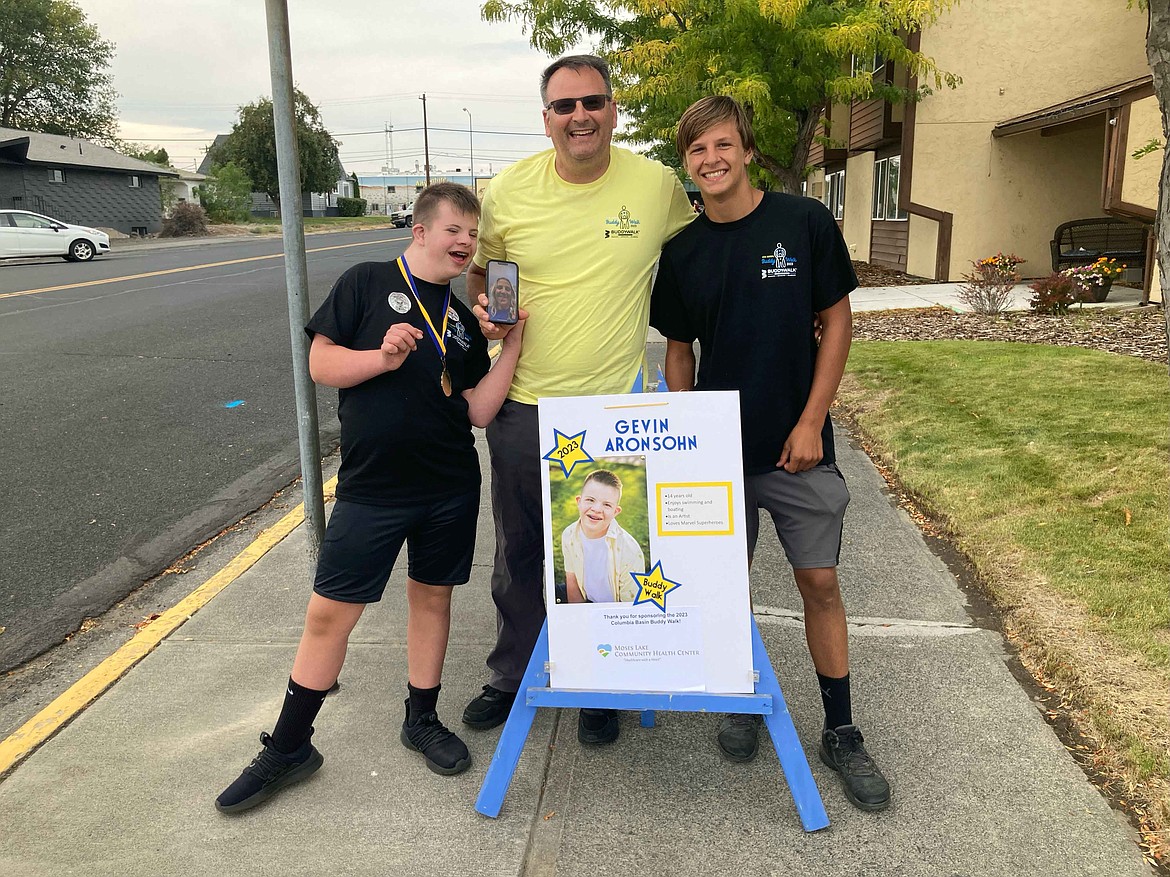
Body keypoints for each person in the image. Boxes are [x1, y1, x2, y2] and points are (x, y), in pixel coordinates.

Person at [214, 182, 526, 814]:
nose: (465, 242)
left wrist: (512, 344)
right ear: (420, 230)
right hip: (373, 487)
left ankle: (421, 716)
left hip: (448, 486)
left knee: (431, 600)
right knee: (330, 614)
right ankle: (291, 745)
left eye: (472, 232)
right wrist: (380, 359)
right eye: (453, 230)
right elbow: (321, 366)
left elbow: (476, 412)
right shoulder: (365, 280)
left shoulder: (464, 322)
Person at [649, 96, 890, 812]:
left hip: (796, 447)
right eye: (697, 150)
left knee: (818, 580)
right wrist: (686, 437)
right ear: (686, 163)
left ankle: (840, 728)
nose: (711, 159)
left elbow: (837, 317)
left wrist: (814, 419)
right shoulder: (684, 252)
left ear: (747, 150)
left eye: (722, 144)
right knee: (726, 586)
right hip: (718, 455)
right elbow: (679, 350)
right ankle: (740, 696)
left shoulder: (803, 224)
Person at [463, 54, 695, 746]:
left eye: (592, 102)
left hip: (613, 413)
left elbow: (702, 256)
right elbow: (484, 270)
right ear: (546, 119)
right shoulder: (506, 191)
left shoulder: (654, 186)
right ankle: (512, 674)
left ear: (613, 110)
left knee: (602, 557)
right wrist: (487, 312)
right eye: (564, 106)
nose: (580, 116)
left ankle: (599, 682)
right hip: (525, 403)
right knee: (520, 549)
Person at [561, 469, 644, 604]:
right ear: (579, 501)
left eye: (606, 504)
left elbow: (630, 609)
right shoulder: (569, 534)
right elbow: (572, 581)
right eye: (590, 500)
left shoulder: (630, 551)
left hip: (615, 613)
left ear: (615, 512)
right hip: (586, 600)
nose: (597, 509)